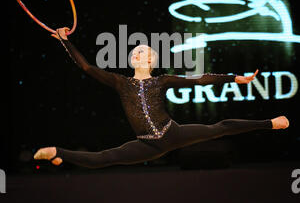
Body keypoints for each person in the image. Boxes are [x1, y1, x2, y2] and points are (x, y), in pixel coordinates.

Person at [34, 27, 289, 168]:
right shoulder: (121, 82)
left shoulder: (162, 81)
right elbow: (87, 68)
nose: (137, 53)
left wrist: (235, 78)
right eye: (134, 51)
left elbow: (199, 79)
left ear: (150, 60)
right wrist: (64, 41)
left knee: (219, 128)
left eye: (142, 51)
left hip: (172, 133)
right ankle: (59, 153)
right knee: (105, 158)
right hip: (146, 144)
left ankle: (270, 123)